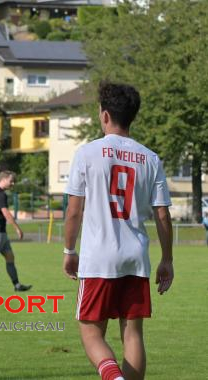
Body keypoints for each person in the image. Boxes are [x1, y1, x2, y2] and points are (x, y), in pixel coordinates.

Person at [63, 82, 174, 380]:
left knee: (90, 332)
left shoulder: (87, 153)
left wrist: (69, 251)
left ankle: (114, 377)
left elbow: (74, 210)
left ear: (105, 115)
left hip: (99, 256)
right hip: (136, 256)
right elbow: (162, 214)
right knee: (133, 334)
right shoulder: (150, 158)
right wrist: (167, 259)